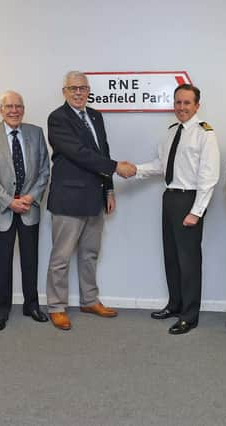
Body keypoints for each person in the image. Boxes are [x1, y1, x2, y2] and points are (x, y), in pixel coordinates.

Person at [46, 70, 136, 330]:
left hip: (94, 198)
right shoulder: (57, 119)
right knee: (60, 258)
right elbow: (79, 153)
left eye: (82, 88)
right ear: (64, 91)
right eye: (73, 88)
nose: (78, 93)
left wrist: (108, 189)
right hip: (68, 199)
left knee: (90, 254)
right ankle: (56, 306)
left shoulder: (95, 115)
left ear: (88, 91)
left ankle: (89, 300)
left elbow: (101, 150)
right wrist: (116, 167)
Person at [135, 83, 220, 335]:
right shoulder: (171, 131)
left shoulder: (206, 133)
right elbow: (161, 165)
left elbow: (209, 176)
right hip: (170, 198)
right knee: (171, 256)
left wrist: (197, 211)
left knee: (189, 260)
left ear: (197, 105)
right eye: (178, 102)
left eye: (186, 103)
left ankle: (189, 315)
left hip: (189, 200)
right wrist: (135, 170)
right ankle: (175, 304)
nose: (181, 107)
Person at [0, 90, 50, 331]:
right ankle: (1, 311)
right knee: (2, 262)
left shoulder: (35, 133)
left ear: (23, 109)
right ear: (1, 110)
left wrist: (30, 197)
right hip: (2, 210)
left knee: (31, 260)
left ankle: (32, 305)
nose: (14, 110)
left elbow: (44, 171)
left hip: (29, 207)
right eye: (9, 106)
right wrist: (10, 201)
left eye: (18, 106)